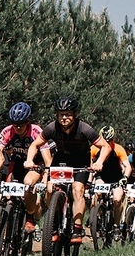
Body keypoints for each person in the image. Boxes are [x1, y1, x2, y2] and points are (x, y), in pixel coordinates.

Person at [29, 96, 112, 245]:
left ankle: (77, 228)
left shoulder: (84, 128)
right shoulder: (52, 127)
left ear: (75, 114)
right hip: (61, 160)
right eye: (61, 114)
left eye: (68, 114)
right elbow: (35, 145)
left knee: (77, 189)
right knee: (49, 188)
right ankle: (52, 224)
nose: (64, 118)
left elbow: (105, 146)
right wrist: (29, 160)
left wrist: (99, 162)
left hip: (81, 161)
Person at [0, 102, 48, 232]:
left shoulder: (37, 132)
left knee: (28, 183)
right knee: (7, 193)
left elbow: (48, 160)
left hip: (35, 164)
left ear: (28, 121)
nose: (18, 127)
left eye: (21, 124)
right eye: (15, 124)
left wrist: (46, 178)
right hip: (17, 163)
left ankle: (30, 216)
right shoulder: (7, 131)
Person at [90, 126, 133, 229]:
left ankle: (117, 225)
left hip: (116, 178)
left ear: (112, 139)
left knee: (117, 199)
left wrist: (125, 178)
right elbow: (89, 167)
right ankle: (95, 219)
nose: (106, 144)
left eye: (109, 141)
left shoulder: (118, 149)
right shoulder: (94, 148)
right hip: (102, 177)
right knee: (97, 193)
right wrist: (89, 181)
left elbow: (128, 167)